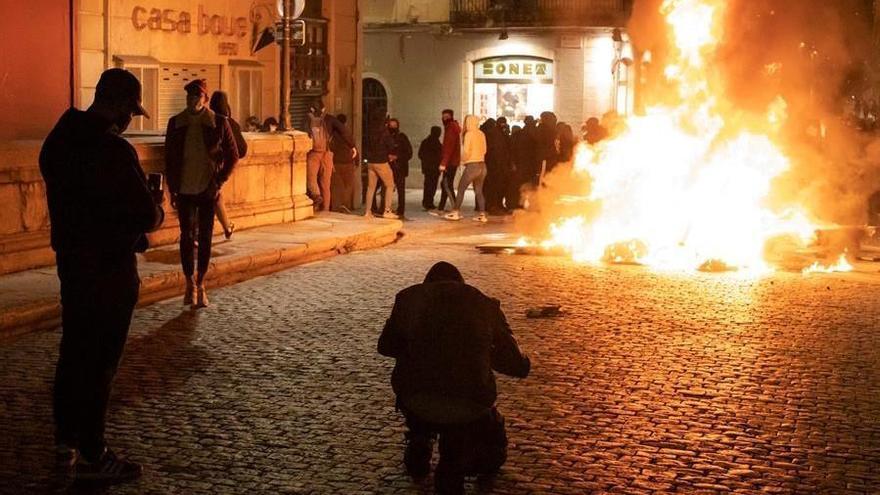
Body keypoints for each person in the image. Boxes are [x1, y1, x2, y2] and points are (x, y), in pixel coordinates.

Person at [39, 68, 165, 486]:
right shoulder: (113, 150)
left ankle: (64, 444)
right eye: (130, 110)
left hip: (72, 264)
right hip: (110, 268)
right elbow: (147, 215)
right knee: (101, 365)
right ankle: (94, 451)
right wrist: (157, 206)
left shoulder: (58, 141)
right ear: (117, 104)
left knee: (73, 354)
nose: (130, 119)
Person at [378, 262, 530, 494]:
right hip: (470, 403)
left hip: (416, 399)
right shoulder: (485, 304)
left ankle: (419, 439)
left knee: (419, 401)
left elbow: (386, 346)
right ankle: (455, 461)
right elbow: (514, 364)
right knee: (469, 434)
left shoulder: (407, 299)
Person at [165, 79, 238, 309]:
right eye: (189, 97)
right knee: (186, 237)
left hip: (207, 188)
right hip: (184, 188)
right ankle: (189, 283)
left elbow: (233, 154)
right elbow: (169, 158)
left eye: (197, 97)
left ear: (205, 100)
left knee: (205, 237)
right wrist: (173, 188)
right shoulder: (176, 123)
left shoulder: (218, 122)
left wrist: (219, 180)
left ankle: (201, 283)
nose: (192, 101)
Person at [302, 98, 355, 212]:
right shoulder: (330, 119)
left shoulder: (307, 120)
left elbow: (304, 135)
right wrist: (352, 146)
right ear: (324, 108)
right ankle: (326, 210)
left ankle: (316, 196)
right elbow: (344, 131)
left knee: (311, 179)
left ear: (311, 109)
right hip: (327, 154)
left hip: (313, 154)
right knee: (326, 184)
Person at [209, 91, 248, 239]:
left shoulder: (213, 121)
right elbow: (242, 149)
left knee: (214, 196)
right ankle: (227, 226)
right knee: (215, 196)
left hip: (215, 166)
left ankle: (225, 226)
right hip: (222, 166)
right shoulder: (232, 122)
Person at [445, 115, 488, 223]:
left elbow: (466, 151)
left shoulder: (469, 134)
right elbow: (485, 150)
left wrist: (463, 161)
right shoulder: (481, 134)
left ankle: (455, 212)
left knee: (461, 189)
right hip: (483, 165)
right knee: (479, 191)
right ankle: (482, 215)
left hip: (472, 166)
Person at [363, 112, 399, 219]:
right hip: (381, 162)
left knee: (371, 187)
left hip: (371, 162)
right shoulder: (384, 132)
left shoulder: (370, 131)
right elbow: (391, 145)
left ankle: (367, 211)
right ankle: (387, 210)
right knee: (390, 185)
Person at [329, 114, 358, 213]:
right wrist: (356, 162)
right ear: (345, 123)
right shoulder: (347, 133)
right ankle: (344, 205)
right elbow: (354, 147)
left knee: (336, 186)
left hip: (335, 162)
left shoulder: (331, 135)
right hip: (347, 162)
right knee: (348, 185)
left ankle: (336, 206)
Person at [434, 109, 461, 213]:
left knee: (446, 184)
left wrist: (443, 163)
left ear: (451, 117)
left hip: (450, 162)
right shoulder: (452, 127)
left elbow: (448, 147)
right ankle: (441, 206)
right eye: (443, 117)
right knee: (445, 184)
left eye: (446, 117)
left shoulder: (450, 129)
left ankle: (455, 208)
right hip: (452, 161)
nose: (444, 119)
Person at [387, 118, 413, 218]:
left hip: (400, 168)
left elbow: (409, 153)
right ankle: (385, 208)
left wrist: (397, 157)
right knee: (386, 188)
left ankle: (401, 210)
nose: (392, 128)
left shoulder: (402, 137)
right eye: (391, 125)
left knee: (401, 190)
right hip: (388, 167)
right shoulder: (386, 137)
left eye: (394, 126)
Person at [418, 126, 443, 210]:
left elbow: (420, 154)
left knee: (428, 185)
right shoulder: (437, 144)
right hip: (434, 168)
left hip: (427, 168)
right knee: (432, 186)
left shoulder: (425, 142)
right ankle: (429, 202)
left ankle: (426, 202)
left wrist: (425, 162)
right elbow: (440, 155)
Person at [537, 111, 559, 183]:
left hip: (546, 157)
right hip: (549, 157)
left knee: (545, 176)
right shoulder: (551, 129)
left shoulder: (543, 129)